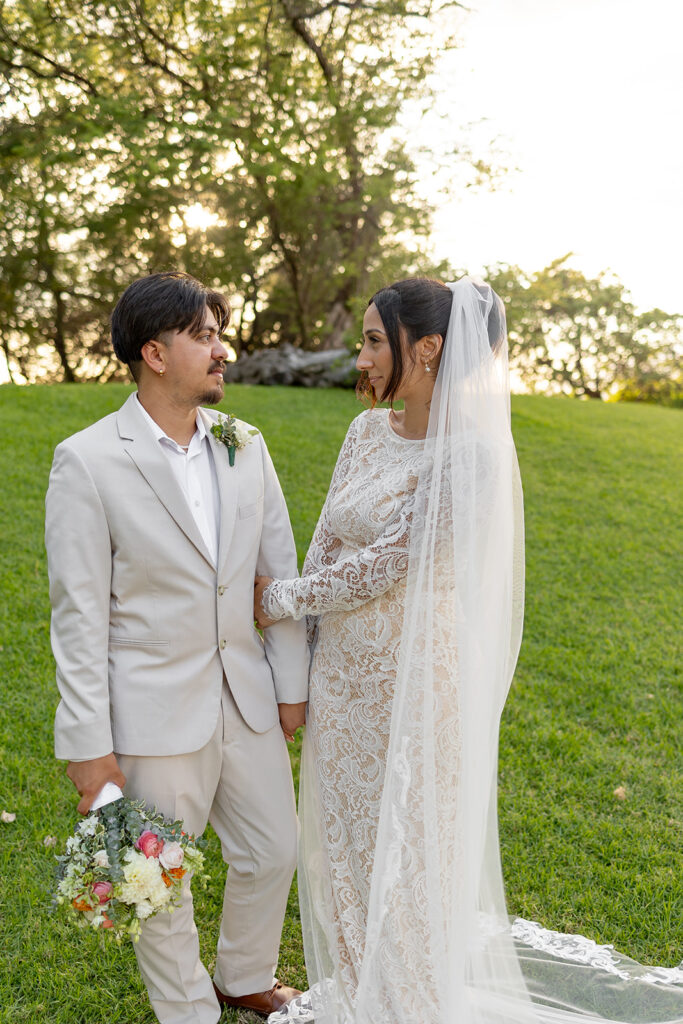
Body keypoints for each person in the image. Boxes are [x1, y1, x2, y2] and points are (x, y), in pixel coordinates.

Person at [254, 277, 683, 1024]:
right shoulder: (363, 433)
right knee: (342, 851)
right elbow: (326, 541)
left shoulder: (476, 457)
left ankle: (410, 1007)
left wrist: (279, 599)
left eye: (374, 339)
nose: (361, 354)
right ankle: (363, 999)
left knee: (411, 861)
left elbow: (392, 560)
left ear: (427, 350)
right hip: (344, 681)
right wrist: (300, 662)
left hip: (420, 682)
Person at [45, 271, 309, 1024]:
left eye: (218, 335)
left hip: (247, 697)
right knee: (158, 880)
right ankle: (188, 1011)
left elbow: (276, 574)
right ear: (154, 353)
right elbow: (78, 616)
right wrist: (89, 746)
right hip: (152, 712)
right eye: (204, 336)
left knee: (273, 851)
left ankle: (244, 976)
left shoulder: (243, 443)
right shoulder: (88, 461)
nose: (221, 351)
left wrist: (289, 686)